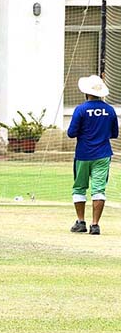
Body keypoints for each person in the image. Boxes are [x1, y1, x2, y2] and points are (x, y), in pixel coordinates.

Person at [67, 75, 118, 235]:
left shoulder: (80, 109)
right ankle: (95, 224)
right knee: (99, 189)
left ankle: (81, 222)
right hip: (103, 154)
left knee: (79, 188)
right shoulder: (110, 110)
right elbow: (114, 133)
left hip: (83, 154)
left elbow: (71, 133)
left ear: (86, 92)